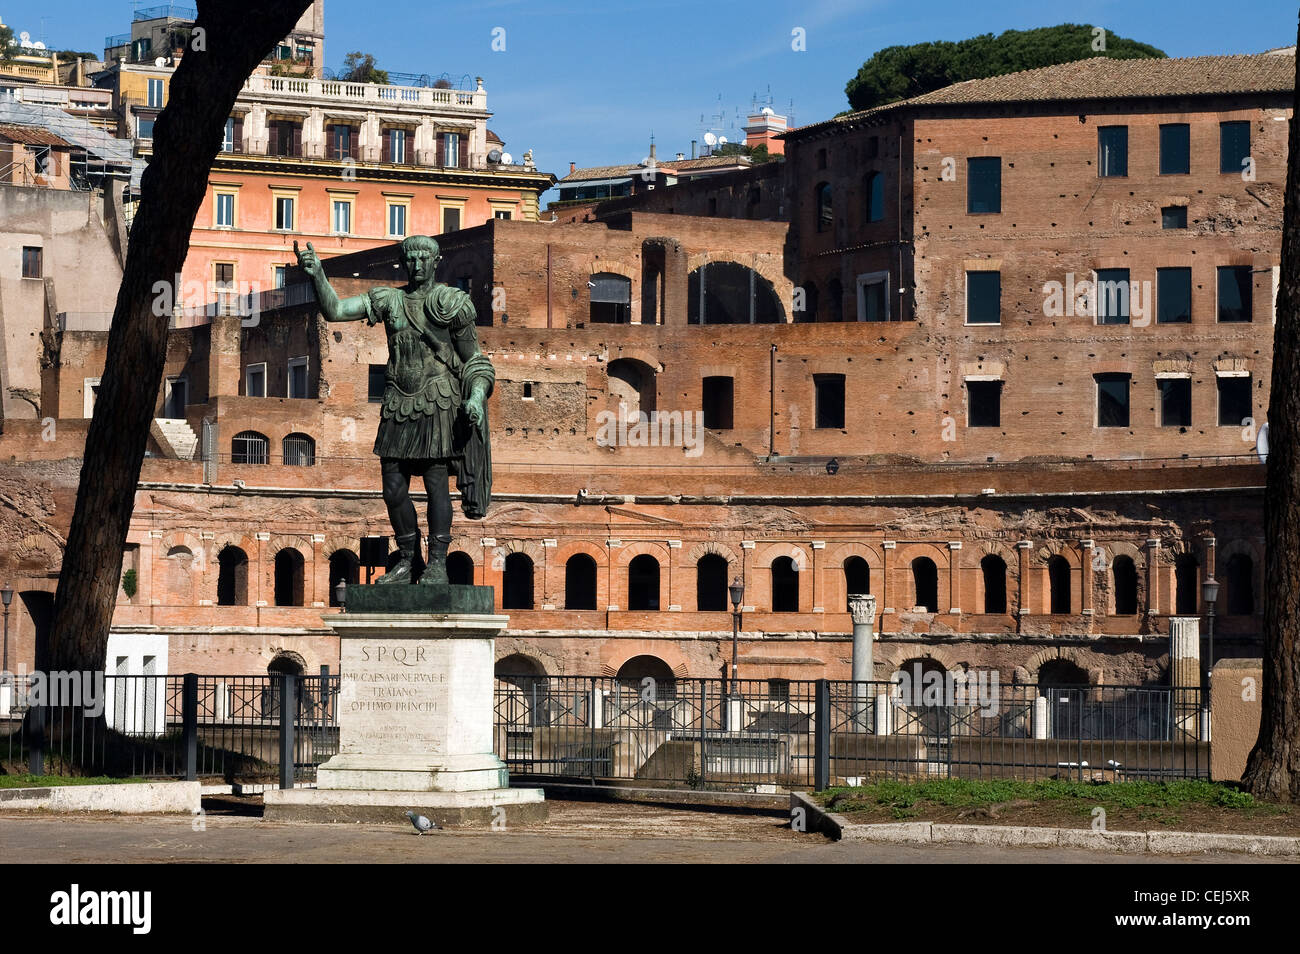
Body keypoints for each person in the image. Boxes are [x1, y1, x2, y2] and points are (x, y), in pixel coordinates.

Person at [295, 236, 494, 585]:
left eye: (423, 260)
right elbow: (336, 312)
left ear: (436, 262)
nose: (417, 267)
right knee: (393, 487)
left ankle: (436, 564)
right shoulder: (389, 300)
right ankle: (408, 560)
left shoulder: (451, 303)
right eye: (410, 261)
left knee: (435, 484)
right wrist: (318, 276)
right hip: (399, 402)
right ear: (404, 263)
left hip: (437, 400)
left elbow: (474, 359)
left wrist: (476, 397)